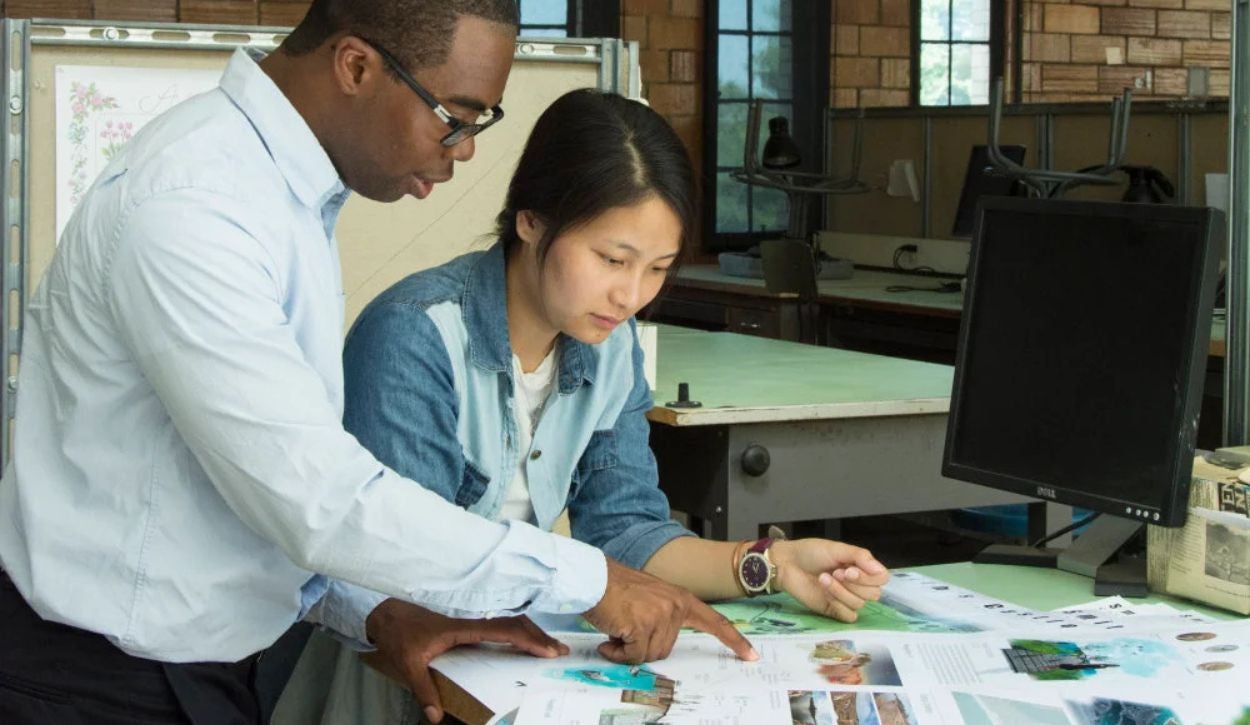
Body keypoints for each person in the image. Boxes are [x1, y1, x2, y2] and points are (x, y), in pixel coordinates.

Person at [0, 4, 754, 724]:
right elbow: (317, 499)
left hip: (204, 671)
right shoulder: (198, 205)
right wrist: (589, 578)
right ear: (357, 65)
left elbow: (245, 505)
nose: (462, 152)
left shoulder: (280, 196)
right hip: (100, 680)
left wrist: (378, 611)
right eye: (453, 117)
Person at [275, 88, 890, 724]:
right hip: (399, 680)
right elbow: (414, 565)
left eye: (658, 267)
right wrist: (595, 587)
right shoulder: (417, 334)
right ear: (532, 220)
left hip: (509, 667)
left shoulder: (610, 345)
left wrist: (774, 563)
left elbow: (624, 528)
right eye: (611, 259)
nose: (630, 295)